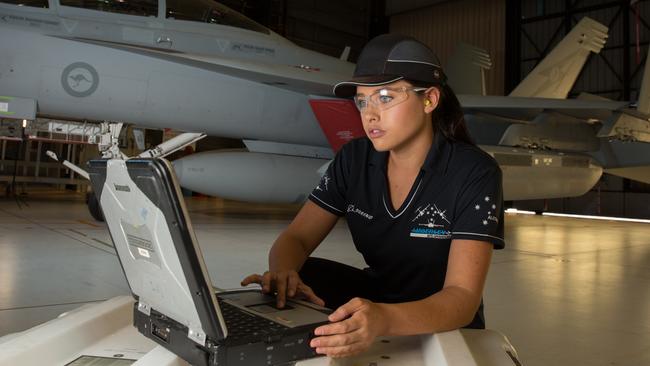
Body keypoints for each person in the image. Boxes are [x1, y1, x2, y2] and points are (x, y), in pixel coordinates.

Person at [241, 34, 505, 358]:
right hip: (378, 301)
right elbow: (296, 237)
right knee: (302, 274)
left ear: (430, 100)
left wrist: (384, 319)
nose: (370, 114)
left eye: (385, 97)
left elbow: (463, 297)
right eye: (362, 101)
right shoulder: (354, 159)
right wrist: (283, 272)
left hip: (442, 319)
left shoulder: (474, 172)